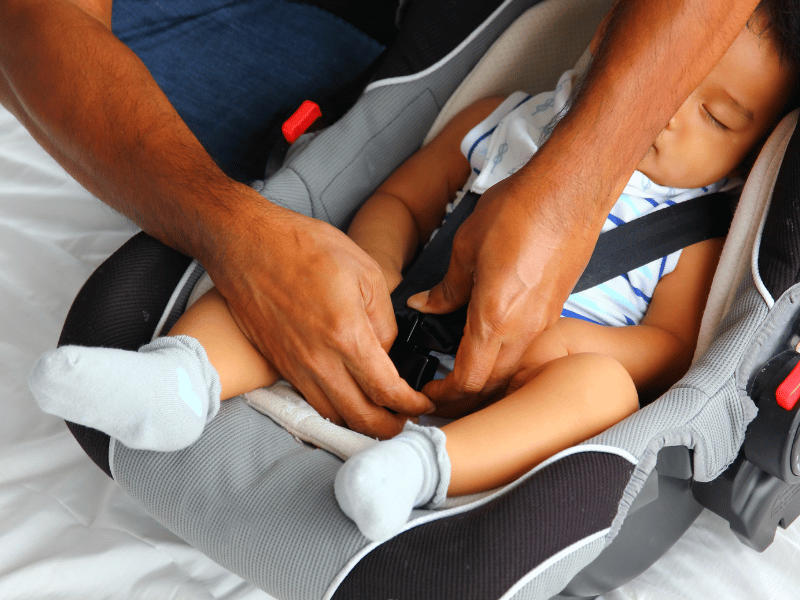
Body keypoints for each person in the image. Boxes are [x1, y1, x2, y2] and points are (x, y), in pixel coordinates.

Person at [28, 0, 799, 519]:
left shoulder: (691, 229)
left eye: (717, 116)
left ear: (753, 146)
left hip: (531, 372)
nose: (666, 116)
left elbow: (667, 351)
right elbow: (403, 200)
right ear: (605, 42)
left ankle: (419, 471)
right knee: (291, 260)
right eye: (668, 83)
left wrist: (572, 344)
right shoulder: (511, 120)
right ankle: (182, 375)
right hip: (407, 314)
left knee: (600, 392)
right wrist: (376, 260)